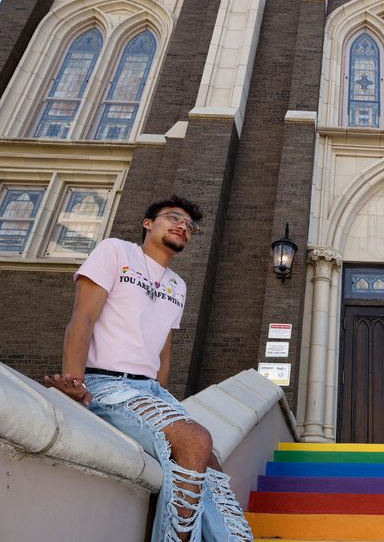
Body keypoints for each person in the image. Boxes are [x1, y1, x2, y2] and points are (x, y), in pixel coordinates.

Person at [44, 195, 252, 542]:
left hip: (149, 390)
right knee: (196, 440)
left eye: (190, 226)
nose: (183, 226)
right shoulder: (116, 252)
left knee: (210, 460)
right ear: (148, 223)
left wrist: (162, 398)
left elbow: (162, 353)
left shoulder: (177, 285)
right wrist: (74, 382)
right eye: (173, 218)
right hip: (105, 384)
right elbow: (83, 318)